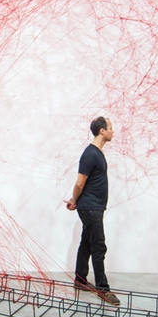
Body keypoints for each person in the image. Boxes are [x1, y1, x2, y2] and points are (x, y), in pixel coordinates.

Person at [65, 116, 120, 306]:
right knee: (98, 246)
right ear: (102, 131)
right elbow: (80, 182)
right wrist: (74, 201)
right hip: (90, 208)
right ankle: (103, 290)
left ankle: (80, 280)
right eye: (111, 128)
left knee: (87, 243)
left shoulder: (97, 153)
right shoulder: (90, 154)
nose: (113, 131)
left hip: (92, 207)